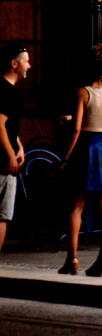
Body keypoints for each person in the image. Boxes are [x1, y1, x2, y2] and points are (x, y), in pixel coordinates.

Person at [58, 43, 102, 277]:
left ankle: (71, 259)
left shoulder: (82, 92)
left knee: (76, 207)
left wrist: (65, 157)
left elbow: (77, 129)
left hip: (86, 149)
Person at [0, 44, 28, 254]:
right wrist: (10, 155)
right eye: (26, 61)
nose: (29, 65)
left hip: (6, 155)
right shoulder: (7, 92)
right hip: (1, 163)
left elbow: (9, 126)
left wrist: (19, 146)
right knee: (2, 215)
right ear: (14, 64)